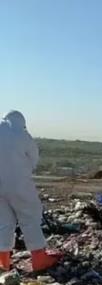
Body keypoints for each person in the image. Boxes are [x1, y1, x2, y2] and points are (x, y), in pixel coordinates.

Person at [0, 110, 63, 271]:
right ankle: (39, 258)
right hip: (19, 184)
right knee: (30, 217)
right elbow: (33, 158)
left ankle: (3, 261)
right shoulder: (21, 134)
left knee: (4, 222)